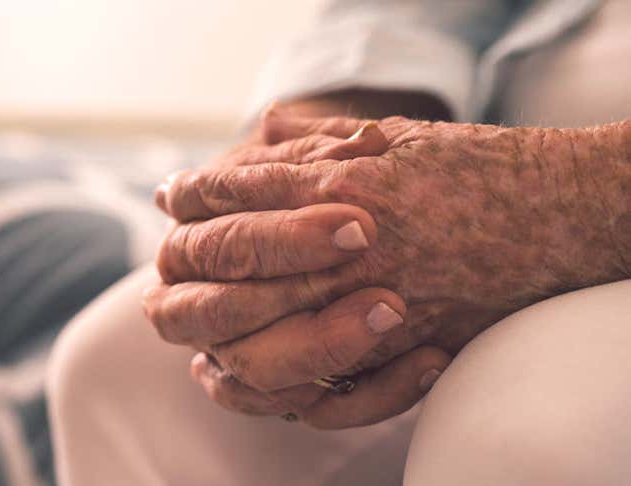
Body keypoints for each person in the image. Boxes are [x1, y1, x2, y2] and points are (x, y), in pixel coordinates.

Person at [48, 1, 631, 484]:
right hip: (515, 115)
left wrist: (575, 192)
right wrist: (310, 158)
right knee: (124, 367)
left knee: (521, 428)